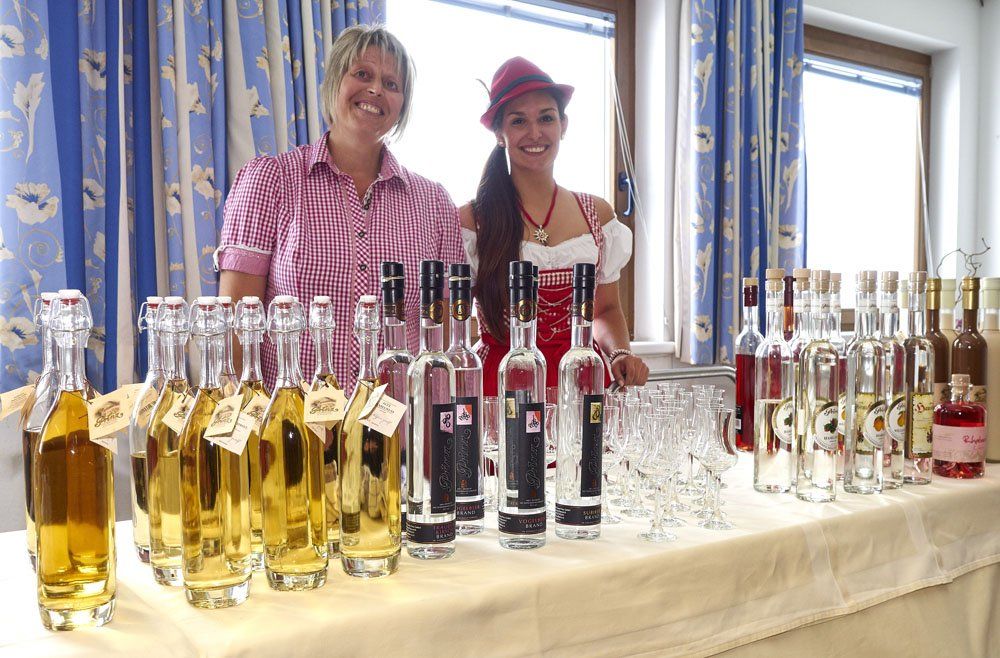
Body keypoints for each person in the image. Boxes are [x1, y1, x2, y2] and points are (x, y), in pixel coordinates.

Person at [217, 25, 464, 391]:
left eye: (391, 84)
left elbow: (448, 340)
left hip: (404, 421)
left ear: (402, 107)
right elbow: (236, 330)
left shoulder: (436, 204)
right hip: (292, 421)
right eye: (362, 74)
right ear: (333, 82)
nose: (376, 90)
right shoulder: (271, 180)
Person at [460, 57, 649, 395]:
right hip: (503, 388)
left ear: (563, 125)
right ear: (500, 134)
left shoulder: (598, 214)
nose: (535, 133)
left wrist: (619, 352)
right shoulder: (474, 221)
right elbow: (453, 323)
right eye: (519, 121)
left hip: (582, 384)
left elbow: (606, 309)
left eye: (546, 118)